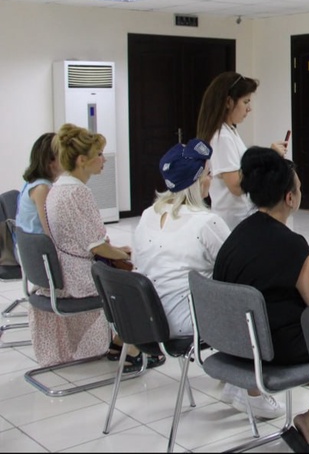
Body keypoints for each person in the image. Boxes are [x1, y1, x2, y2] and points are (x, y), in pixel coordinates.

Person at [212, 147, 309, 438]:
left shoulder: (234, 237)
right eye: (299, 188)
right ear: (290, 198)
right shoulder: (294, 246)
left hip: (232, 343)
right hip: (272, 349)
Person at [31, 124, 161, 371]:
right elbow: (97, 247)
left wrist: (116, 251)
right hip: (78, 276)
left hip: (63, 270)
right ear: (82, 160)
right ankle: (131, 348)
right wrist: (127, 255)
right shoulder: (78, 193)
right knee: (138, 281)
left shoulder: (57, 188)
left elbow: (84, 239)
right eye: (99, 154)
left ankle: (120, 342)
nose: (104, 159)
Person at [132, 139, 230, 337]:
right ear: (196, 181)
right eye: (208, 173)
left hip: (147, 319)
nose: (211, 178)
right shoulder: (206, 222)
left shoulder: (148, 214)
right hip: (188, 322)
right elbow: (235, 266)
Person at [196, 71, 288, 230]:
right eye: (245, 102)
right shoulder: (222, 137)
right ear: (228, 102)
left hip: (241, 216)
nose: (249, 109)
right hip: (233, 221)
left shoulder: (230, 131)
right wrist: (268, 159)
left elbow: (243, 168)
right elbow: (236, 186)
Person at [16, 132, 62, 244]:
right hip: (38, 248)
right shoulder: (42, 188)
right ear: (50, 161)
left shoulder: (33, 182)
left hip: (31, 246)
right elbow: (51, 233)